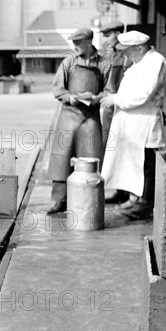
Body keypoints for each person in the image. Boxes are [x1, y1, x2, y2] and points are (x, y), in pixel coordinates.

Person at [100, 31, 166, 220]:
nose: (125, 55)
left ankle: (145, 204)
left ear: (139, 47)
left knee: (145, 164)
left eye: (128, 51)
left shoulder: (156, 61)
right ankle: (134, 197)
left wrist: (116, 99)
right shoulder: (139, 62)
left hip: (145, 122)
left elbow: (143, 93)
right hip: (132, 123)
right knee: (131, 162)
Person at [47, 28, 111, 214]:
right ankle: (60, 200)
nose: (74, 46)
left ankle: (89, 199)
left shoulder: (104, 64)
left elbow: (109, 90)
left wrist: (96, 98)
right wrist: (70, 97)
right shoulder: (68, 62)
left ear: (89, 42)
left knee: (91, 157)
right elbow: (57, 89)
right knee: (62, 157)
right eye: (73, 43)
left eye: (78, 43)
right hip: (69, 114)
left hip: (91, 116)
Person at [99, 20, 132, 204]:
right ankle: (120, 189)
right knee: (111, 148)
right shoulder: (113, 55)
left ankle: (127, 191)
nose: (106, 39)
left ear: (119, 33)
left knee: (123, 148)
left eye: (108, 35)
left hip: (121, 107)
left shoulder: (126, 55)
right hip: (110, 107)